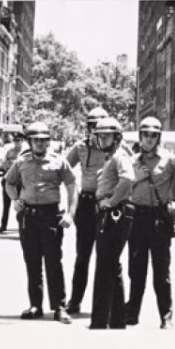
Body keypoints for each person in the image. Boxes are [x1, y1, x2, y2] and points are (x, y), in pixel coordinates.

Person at [125, 116, 175, 329]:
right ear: (140, 136)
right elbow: (119, 186)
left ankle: (166, 316)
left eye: (153, 135)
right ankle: (132, 313)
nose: (149, 139)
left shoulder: (168, 159)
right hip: (136, 217)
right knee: (136, 270)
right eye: (145, 134)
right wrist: (134, 179)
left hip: (159, 219)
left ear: (159, 137)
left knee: (161, 271)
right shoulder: (132, 161)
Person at [3, 121, 77, 324]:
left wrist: (70, 213)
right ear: (30, 141)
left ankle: (59, 307)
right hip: (28, 216)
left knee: (53, 263)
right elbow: (9, 182)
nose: (40, 144)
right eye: (36, 140)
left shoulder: (59, 162)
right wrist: (15, 199)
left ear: (48, 142)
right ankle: (36, 304)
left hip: (51, 216)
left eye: (43, 141)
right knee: (32, 261)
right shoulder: (21, 162)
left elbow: (72, 185)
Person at [63, 104, 111, 314]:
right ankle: (75, 300)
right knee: (83, 256)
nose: (97, 132)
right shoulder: (81, 147)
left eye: (101, 127)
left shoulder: (118, 148)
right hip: (86, 203)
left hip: (108, 205)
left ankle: (105, 303)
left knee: (108, 258)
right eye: (93, 126)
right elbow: (62, 167)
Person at [87, 117, 134, 329]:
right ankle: (117, 319)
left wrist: (111, 202)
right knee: (111, 265)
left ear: (117, 138)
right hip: (113, 211)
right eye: (100, 136)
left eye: (107, 136)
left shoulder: (119, 156)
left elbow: (128, 179)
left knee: (105, 266)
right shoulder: (112, 157)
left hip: (115, 212)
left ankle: (100, 321)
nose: (102, 139)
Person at [0, 132, 26, 233]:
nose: (16, 143)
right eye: (15, 141)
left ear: (22, 141)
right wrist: (12, 163)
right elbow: (4, 164)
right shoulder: (9, 151)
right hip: (9, 179)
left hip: (20, 182)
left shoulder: (25, 153)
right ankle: (3, 225)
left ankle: (22, 227)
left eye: (18, 141)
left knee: (20, 205)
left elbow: (23, 167)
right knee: (6, 205)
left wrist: (13, 163)